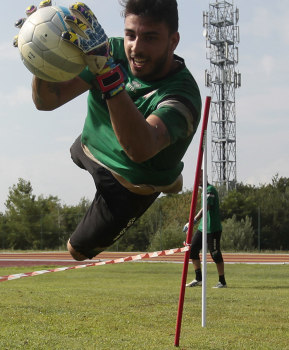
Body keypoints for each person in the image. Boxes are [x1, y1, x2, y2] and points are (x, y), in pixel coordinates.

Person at [28, 0, 202, 261]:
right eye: (130, 35)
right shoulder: (108, 49)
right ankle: (163, 173)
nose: (136, 48)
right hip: (90, 146)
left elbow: (140, 149)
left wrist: (109, 74)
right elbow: (47, 102)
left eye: (150, 38)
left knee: (77, 250)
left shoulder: (182, 95)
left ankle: (165, 178)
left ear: (173, 41)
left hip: (132, 179)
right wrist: (41, 55)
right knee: (75, 152)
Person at [184, 174, 227, 288]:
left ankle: (222, 281)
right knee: (192, 249)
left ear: (204, 178)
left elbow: (206, 207)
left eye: (199, 178)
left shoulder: (210, 189)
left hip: (213, 228)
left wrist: (193, 220)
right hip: (202, 228)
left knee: (215, 253)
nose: (197, 181)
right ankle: (198, 279)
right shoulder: (203, 191)